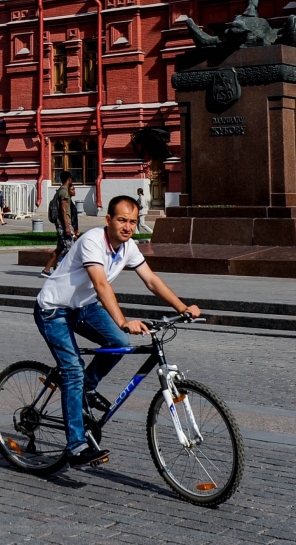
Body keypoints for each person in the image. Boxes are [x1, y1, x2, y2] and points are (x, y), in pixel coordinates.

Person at [36, 196, 199, 467]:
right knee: (73, 370)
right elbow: (101, 284)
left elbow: (151, 280)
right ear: (108, 220)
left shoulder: (128, 247)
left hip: (83, 307)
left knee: (119, 342)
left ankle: (85, 388)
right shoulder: (92, 241)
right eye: (122, 220)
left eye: (133, 221)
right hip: (54, 310)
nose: (128, 227)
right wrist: (123, 319)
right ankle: (75, 447)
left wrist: (183, 308)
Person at [42, 178, 78, 276]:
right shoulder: (64, 192)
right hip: (63, 225)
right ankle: (59, 266)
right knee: (71, 249)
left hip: (62, 225)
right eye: (73, 189)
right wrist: (67, 226)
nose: (74, 191)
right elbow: (63, 210)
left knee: (59, 249)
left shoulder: (62, 192)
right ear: (69, 179)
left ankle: (46, 270)